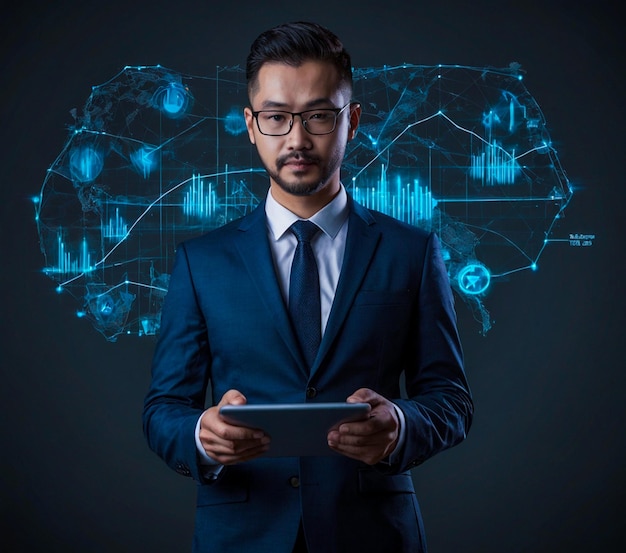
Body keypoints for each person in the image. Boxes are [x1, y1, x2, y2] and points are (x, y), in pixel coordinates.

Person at [143, 21, 473, 553]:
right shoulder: (201, 262)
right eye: (276, 117)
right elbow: (163, 409)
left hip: (373, 535)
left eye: (319, 116)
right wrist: (200, 435)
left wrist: (400, 425)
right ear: (251, 125)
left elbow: (451, 399)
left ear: (353, 121)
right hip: (242, 535)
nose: (297, 139)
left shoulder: (412, 253)